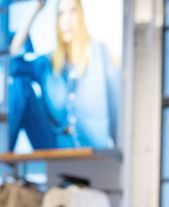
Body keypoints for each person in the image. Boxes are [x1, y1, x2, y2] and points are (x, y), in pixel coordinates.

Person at [8, 0, 119, 150]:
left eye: (72, 11)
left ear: (81, 15)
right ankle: (0, 159)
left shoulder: (99, 52)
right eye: (61, 14)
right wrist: (35, 10)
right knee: (19, 84)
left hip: (93, 148)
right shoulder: (48, 63)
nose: (66, 20)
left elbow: (116, 104)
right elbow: (13, 61)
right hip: (54, 143)